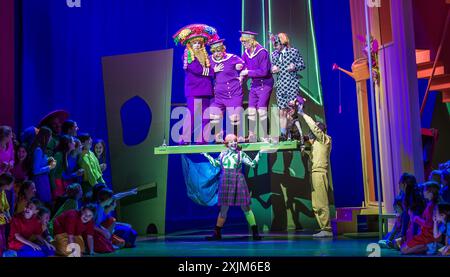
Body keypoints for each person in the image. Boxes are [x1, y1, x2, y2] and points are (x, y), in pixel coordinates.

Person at [202, 134, 264, 240]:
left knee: (246, 207)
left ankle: (255, 233)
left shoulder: (241, 154)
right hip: (225, 179)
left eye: (235, 141)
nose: (234, 143)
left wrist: (260, 153)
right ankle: (217, 233)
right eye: (231, 141)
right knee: (224, 209)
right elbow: (216, 164)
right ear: (226, 144)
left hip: (238, 179)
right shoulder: (222, 154)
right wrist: (207, 155)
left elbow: (253, 164)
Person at [173, 24, 219, 144]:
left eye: (199, 43)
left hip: (206, 90)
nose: (197, 45)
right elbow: (197, 69)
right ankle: (184, 138)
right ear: (190, 44)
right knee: (193, 114)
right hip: (195, 90)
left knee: (206, 115)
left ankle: (202, 138)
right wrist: (214, 71)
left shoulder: (204, 54)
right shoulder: (187, 54)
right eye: (195, 43)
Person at [298, 107, 332, 237]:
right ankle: (323, 228)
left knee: (321, 202)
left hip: (320, 172)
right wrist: (305, 149)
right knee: (316, 204)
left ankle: (327, 229)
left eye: (316, 129)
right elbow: (313, 155)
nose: (313, 132)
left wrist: (302, 114)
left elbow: (314, 128)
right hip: (314, 173)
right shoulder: (316, 144)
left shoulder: (325, 139)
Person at [270, 33, 306, 141]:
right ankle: (283, 134)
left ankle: (292, 132)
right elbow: (272, 68)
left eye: (276, 43)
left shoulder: (293, 52)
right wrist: (273, 69)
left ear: (282, 42)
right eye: (273, 43)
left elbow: (302, 64)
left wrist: (294, 66)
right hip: (280, 85)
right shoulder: (274, 55)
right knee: (282, 111)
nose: (274, 46)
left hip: (291, 84)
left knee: (291, 111)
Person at [208, 39, 246, 142]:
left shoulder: (232, 58)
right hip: (219, 96)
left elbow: (245, 67)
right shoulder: (209, 60)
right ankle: (218, 136)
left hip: (233, 93)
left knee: (234, 117)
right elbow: (203, 72)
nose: (217, 54)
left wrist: (241, 76)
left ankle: (239, 135)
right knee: (213, 114)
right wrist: (213, 71)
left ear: (223, 50)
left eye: (219, 51)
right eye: (215, 51)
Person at [239, 31, 274, 142]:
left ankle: (265, 135)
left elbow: (264, 72)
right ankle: (252, 135)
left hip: (265, 83)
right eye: (242, 42)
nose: (243, 44)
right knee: (251, 110)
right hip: (254, 85)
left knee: (262, 110)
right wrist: (241, 79)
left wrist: (247, 73)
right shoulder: (245, 54)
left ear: (251, 41)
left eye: (245, 42)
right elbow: (244, 71)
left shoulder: (262, 52)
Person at [401, 182, 440, 254]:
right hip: (424, 233)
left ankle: (428, 246)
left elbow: (429, 224)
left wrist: (416, 218)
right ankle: (428, 246)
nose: (423, 192)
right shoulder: (429, 204)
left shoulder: (432, 206)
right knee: (403, 248)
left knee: (404, 250)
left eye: (425, 190)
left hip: (428, 235)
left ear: (430, 193)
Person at [30, 127, 57, 205]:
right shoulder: (38, 150)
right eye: (50, 136)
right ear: (45, 137)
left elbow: (39, 162)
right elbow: (35, 170)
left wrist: (48, 159)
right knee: (42, 203)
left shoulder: (41, 149)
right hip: (39, 181)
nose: (51, 138)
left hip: (43, 179)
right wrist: (50, 167)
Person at [0, 173, 14, 256]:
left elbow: (6, 206)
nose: (13, 185)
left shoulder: (3, 192)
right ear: (5, 184)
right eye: (11, 183)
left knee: (3, 241)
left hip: (2, 222)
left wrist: (8, 215)